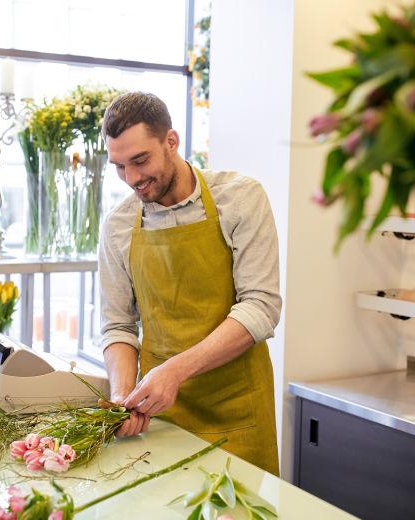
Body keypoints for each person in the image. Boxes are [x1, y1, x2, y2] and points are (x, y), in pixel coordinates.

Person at [98, 91, 281, 475]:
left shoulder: (241, 199)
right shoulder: (118, 224)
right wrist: (121, 398)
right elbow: (118, 326)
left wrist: (175, 372)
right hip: (158, 414)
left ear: (171, 141)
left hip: (237, 408)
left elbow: (260, 307)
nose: (132, 179)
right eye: (119, 166)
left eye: (140, 160)